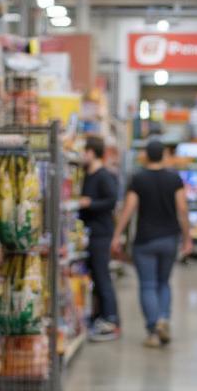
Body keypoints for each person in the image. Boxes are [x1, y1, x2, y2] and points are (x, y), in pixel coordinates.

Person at [111, 138, 192, 348]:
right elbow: (182, 210)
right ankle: (164, 318)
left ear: (146, 156)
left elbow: (128, 209)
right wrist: (187, 238)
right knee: (164, 283)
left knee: (147, 284)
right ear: (164, 155)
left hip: (145, 240)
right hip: (169, 239)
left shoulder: (138, 179)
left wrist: (117, 235)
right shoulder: (174, 179)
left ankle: (152, 330)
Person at [78, 135, 120, 341]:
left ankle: (111, 319)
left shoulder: (103, 176)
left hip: (101, 233)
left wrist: (90, 203)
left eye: (84, 151)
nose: (81, 155)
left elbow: (111, 201)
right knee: (95, 276)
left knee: (102, 276)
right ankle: (98, 316)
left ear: (91, 152)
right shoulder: (87, 174)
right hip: (89, 234)